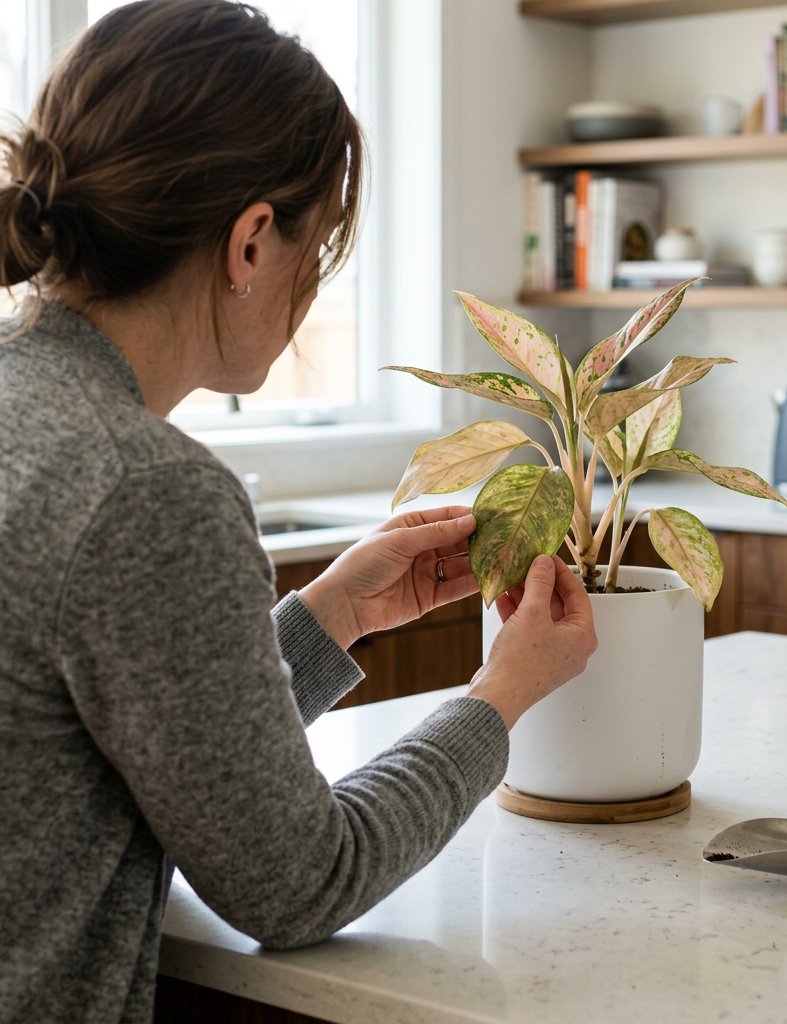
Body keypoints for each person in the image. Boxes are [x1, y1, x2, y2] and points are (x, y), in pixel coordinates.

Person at [0, 2, 598, 1021]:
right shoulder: (147, 487)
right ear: (249, 244)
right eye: (314, 254)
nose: (307, 292)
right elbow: (299, 882)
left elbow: (126, 729)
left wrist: (328, 620)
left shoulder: (31, 410)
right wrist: (501, 694)